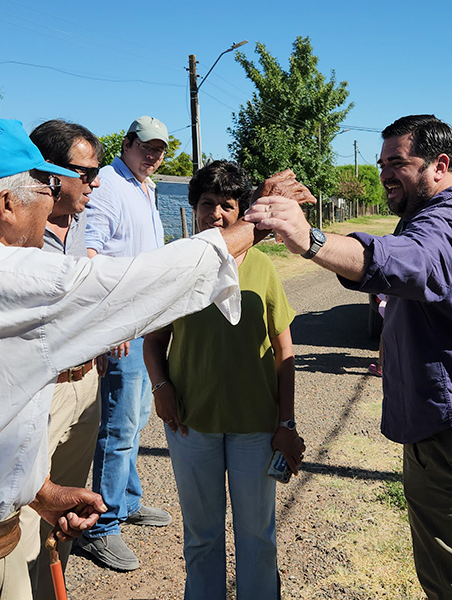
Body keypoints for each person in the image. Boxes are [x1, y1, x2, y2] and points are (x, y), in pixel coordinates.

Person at [0, 115, 313, 600]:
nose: (53, 197)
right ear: (6, 204)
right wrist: (258, 218)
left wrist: (41, 493)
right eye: (44, 186)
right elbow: (152, 280)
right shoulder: (18, 277)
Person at [245, 114, 452, 600]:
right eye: (382, 162)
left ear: (440, 165)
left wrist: (310, 240)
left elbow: (406, 262)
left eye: (398, 163)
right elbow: (398, 262)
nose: (384, 174)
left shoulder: (447, 221)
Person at [143, 161, 305, 600]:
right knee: (202, 536)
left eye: (227, 205)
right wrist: (161, 389)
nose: (215, 213)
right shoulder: (178, 267)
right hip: (191, 424)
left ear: (242, 212)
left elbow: (284, 351)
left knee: (257, 536)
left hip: (256, 426)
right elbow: (154, 341)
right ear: (193, 208)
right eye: (206, 203)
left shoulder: (263, 270)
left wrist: (285, 424)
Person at [78, 115, 171, 571]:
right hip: (124, 327)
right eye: (148, 146)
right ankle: (102, 526)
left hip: (146, 322)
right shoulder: (111, 185)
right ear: (128, 143)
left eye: (160, 150)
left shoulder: (141, 184)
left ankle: (127, 501)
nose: (154, 155)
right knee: (118, 427)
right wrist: (109, 325)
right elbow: (91, 254)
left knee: (134, 420)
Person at [18, 119, 104, 600]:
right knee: (28, 514)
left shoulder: (79, 223)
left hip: (85, 382)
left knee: (65, 517)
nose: (94, 184)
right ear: (48, 173)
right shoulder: (13, 235)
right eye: (86, 173)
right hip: (43, 391)